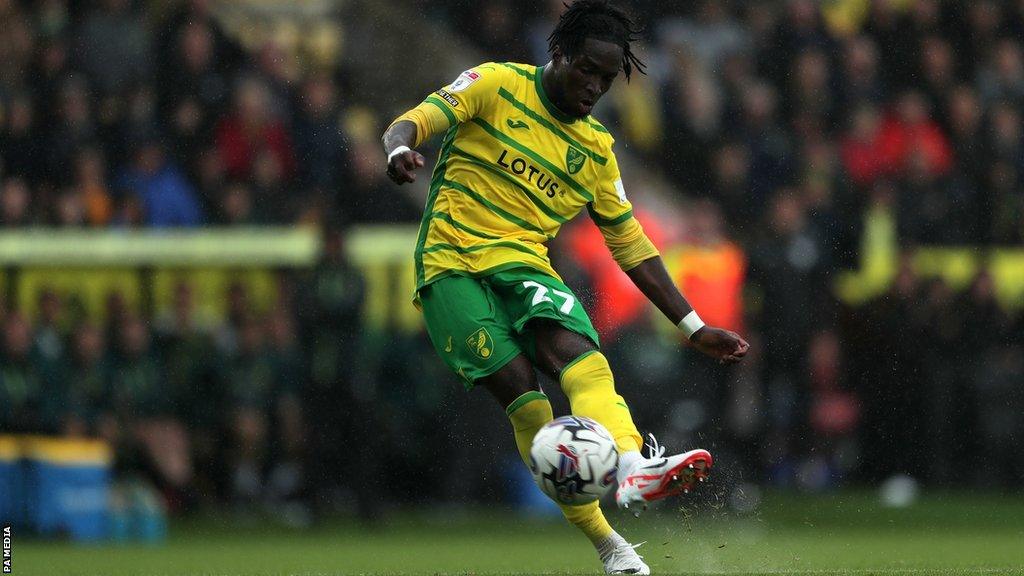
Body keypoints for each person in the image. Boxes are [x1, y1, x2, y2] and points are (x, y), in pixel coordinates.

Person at [381, 1, 749, 573]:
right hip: (449, 266)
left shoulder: (596, 151)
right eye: (588, 71)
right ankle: (610, 545)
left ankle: (631, 468)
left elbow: (632, 246)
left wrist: (692, 326)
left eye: (607, 78)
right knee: (528, 403)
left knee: (582, 357)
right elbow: (416, 119)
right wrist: (400, 147)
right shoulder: (496, 84)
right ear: (559, 54)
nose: (596, 86)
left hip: (524, 267)